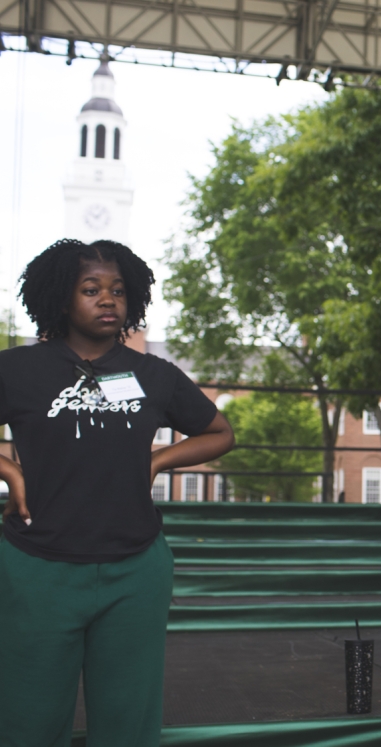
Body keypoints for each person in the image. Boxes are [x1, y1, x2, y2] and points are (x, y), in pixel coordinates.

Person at [0, 239, 235, 747]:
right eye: (91, 290)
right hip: (38, 567)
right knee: (28, 721)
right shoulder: (17, 369)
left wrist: (157, 460)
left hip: (135, 570)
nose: (108, 300)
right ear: (63, 299)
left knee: (128, 725)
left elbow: (220, 432)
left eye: (118, 291)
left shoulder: (154, 375)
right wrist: (10, 472)